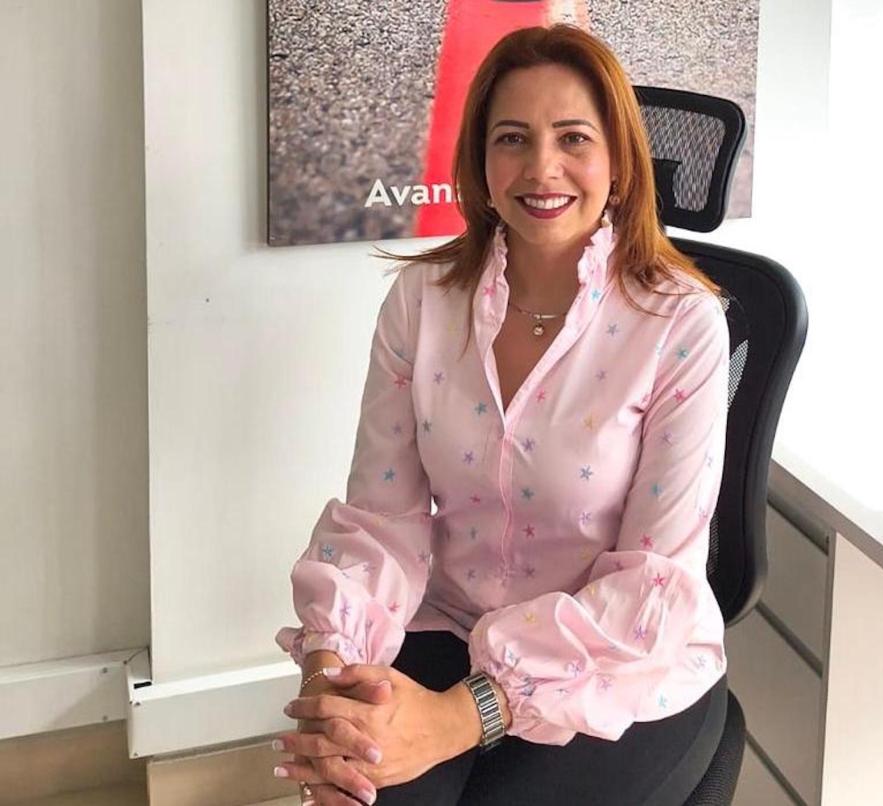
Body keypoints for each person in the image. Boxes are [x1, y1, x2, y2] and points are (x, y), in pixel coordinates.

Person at [272, 23, 731, 806]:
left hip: (620, 661)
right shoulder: (423, 302)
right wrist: (332, 676)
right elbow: (382, 521)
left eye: (573, 138)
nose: (541, 167)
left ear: (619, 164)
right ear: (481, 165)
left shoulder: (681, 323)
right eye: (512, 138)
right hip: (449, 624)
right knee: (359, 783)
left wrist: (459, 717)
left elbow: (651, 585)